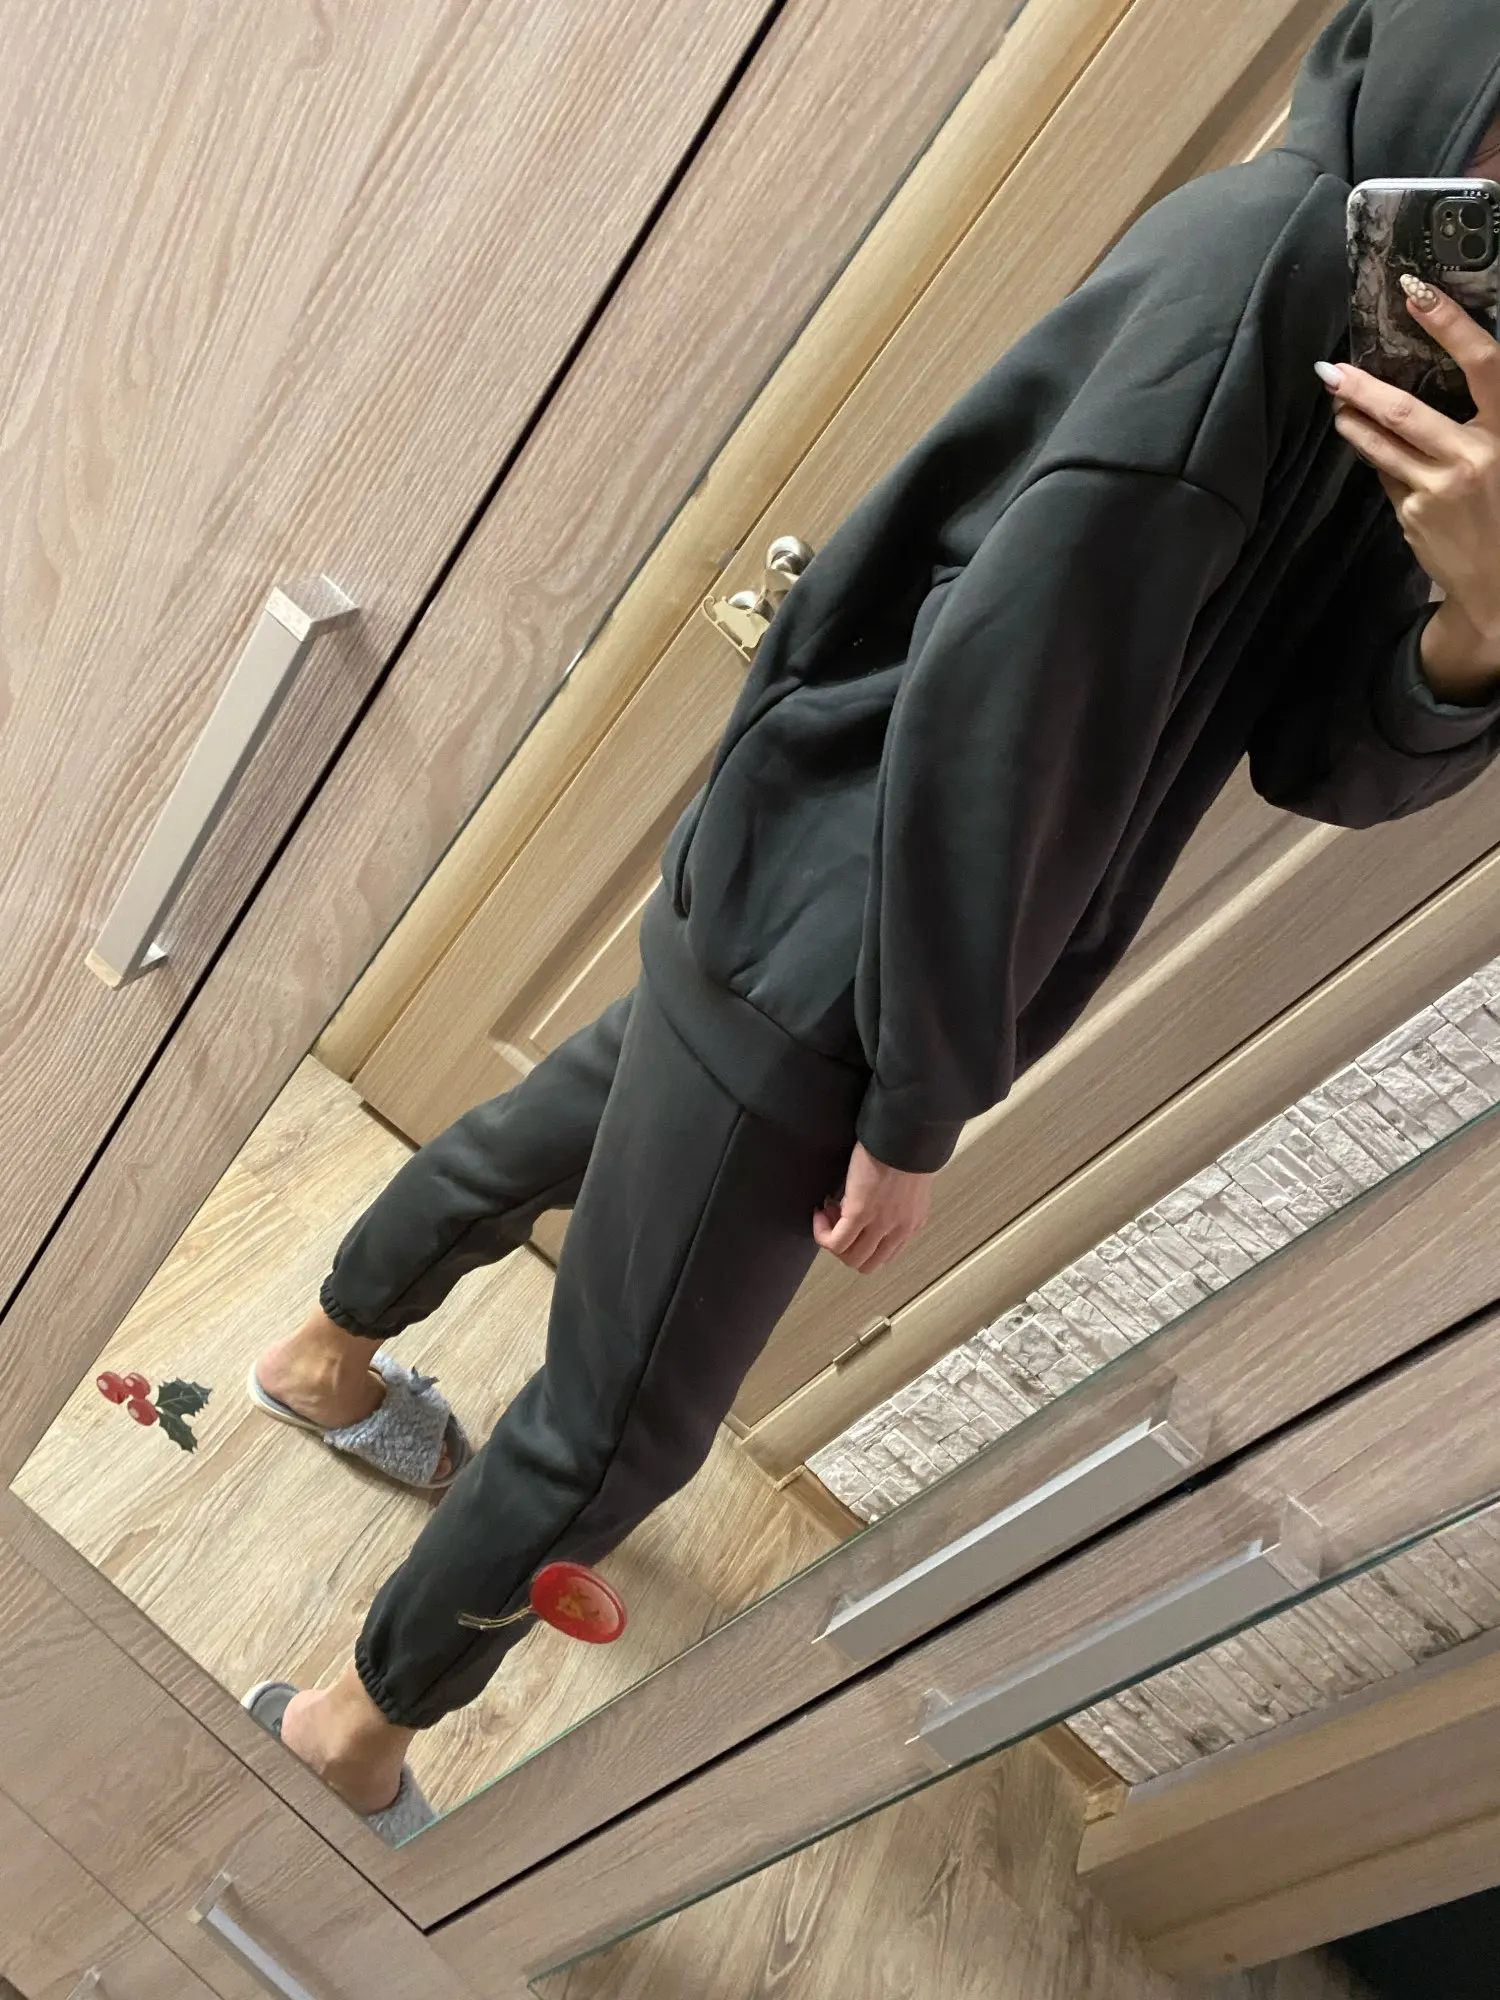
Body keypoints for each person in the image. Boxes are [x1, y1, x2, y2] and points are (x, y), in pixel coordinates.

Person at [246, 0, 1500, 1837]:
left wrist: (1479, 613)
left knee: (572, 1115)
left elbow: (1318, 749)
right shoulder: (1263, 280)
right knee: (626, 1425)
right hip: (859, 936)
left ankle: (322, 1356)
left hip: (808, 869)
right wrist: (914, 1106)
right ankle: (351, 1730)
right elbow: (1000, 715)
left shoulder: (1388, 348)